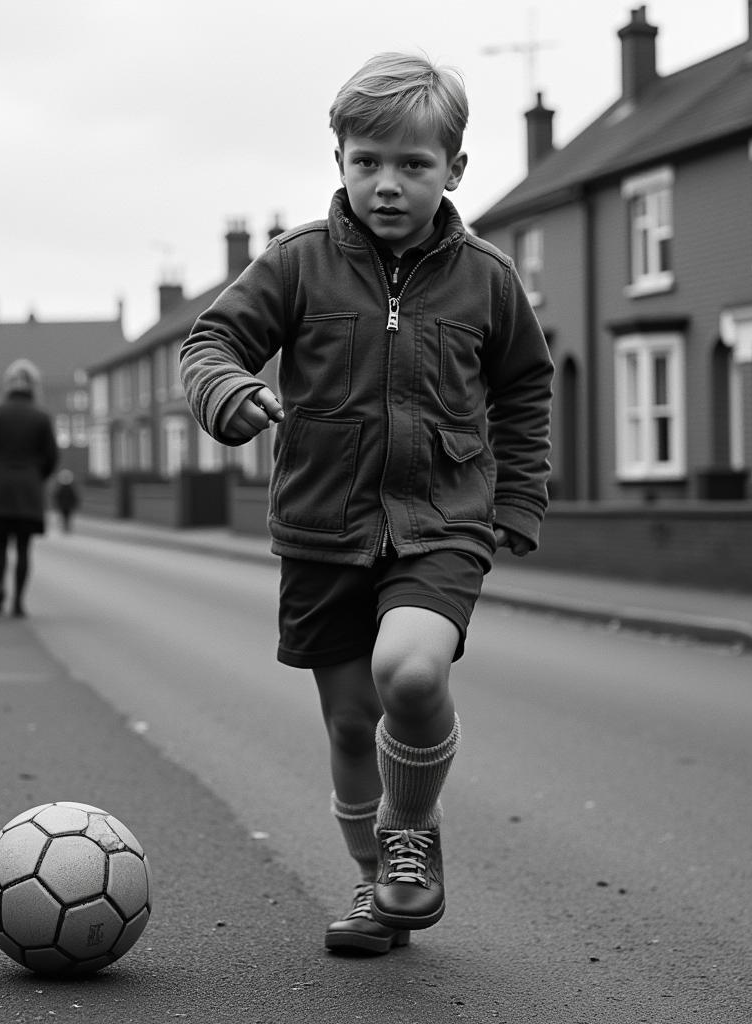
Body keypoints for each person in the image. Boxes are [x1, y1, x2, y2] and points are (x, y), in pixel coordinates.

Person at [181, 52, 553, 955]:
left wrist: (520, 497)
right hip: (321, 526)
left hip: (441, 522)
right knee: (352, 723)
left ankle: (410, 836)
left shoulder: (488, 279)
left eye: (413, 166)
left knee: (412, 676)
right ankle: (374, 882)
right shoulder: (299, 264)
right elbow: (210, 341)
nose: (387, 185)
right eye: (367, 162)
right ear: (340, 159)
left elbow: (525, 390)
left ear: (454, 171)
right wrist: (228, 394)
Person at [0, 359, 58, 618]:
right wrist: (36, 476)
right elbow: (52, 456)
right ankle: (19, 602)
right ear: (33, 385)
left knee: (0, 543)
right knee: (23, 547)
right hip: (29, 487)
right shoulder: (41, 416)